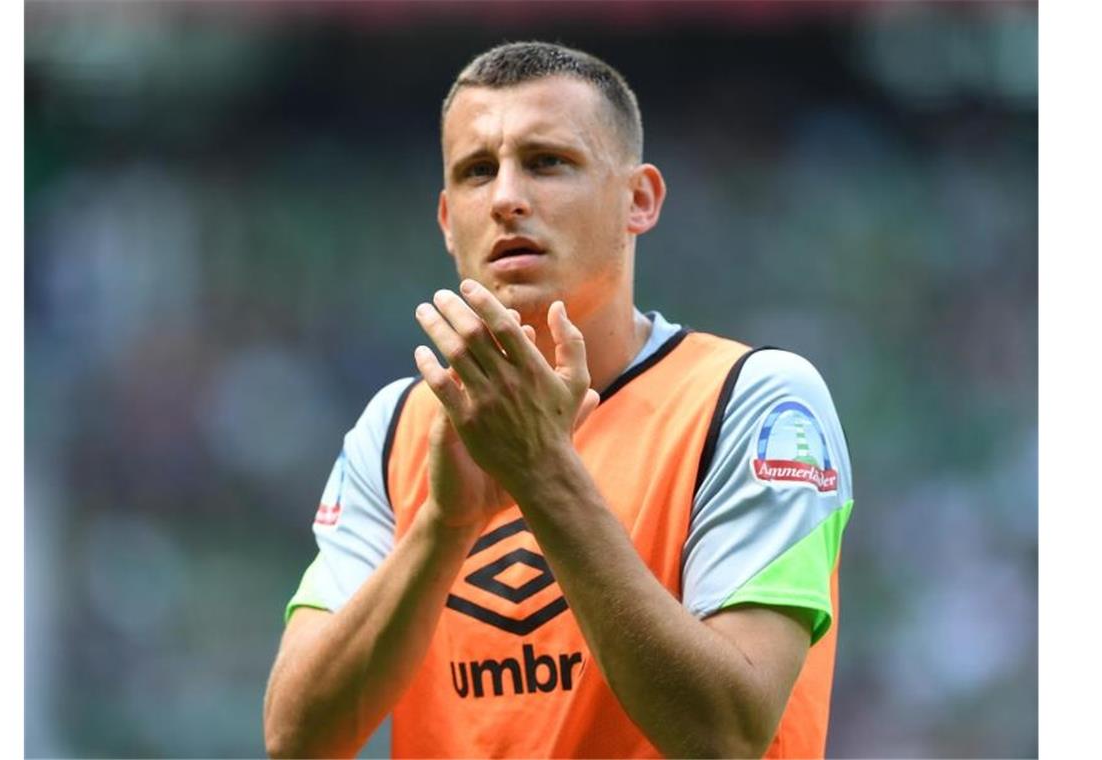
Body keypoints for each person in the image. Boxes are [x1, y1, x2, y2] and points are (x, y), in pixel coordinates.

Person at [263, 41, 853, 759]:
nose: (507, 196)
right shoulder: (396, 428)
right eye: (478, 171)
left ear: (639, 200)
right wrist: (443, 527)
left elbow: (725, 737)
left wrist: (541, 471)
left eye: (547, 162)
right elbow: (296, 740)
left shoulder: (755, 403)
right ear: (449, 221)